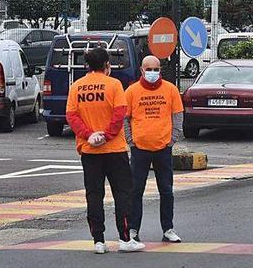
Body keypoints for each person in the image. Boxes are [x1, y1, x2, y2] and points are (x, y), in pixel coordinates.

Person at [66, 47, 145, 254]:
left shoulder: (77, 87)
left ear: (87, 66)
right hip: (114, 150)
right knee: (123, 194)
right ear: (106, 65)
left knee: (94, 195)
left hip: (89, 151)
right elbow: (120, 115)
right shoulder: (114, 85)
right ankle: (125, 239)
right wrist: (106, 136)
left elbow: (72, 116)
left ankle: (98, 241)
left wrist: (89, 135)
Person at [124, 55, 184, 244]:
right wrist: (130, 140)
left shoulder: (171, 90)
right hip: (139, 149)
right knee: (135, 191)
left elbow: (178, 116)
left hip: (163, 148)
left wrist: (172, 139)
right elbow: (125, 118)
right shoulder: (132, 91)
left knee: (166, 190)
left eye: (156, 69)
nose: (152, 73)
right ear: (141, 70)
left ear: (160, 70)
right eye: (148, 69)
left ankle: (168, 228)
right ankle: (133, 229)